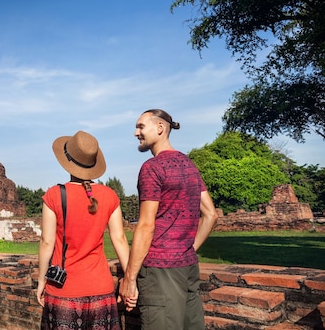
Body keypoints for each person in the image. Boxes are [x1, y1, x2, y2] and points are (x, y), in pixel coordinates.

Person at [118, 109, 218, 330]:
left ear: (160, 128)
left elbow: (145, 225)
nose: (136, 133)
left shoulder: (152, 168)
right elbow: (211, 214)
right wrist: (188, 248)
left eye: (141, 126)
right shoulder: (188, 164)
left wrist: (130, 278)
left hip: (159, 270)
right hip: (188, 266)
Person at [37, 130, 132, 330]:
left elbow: (47, 242)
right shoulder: (109, 195)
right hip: (101, 288)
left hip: (64, 289)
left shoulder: (54, 195)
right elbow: (120, 239)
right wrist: (131, 279)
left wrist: (40, 280)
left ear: (67, 161)